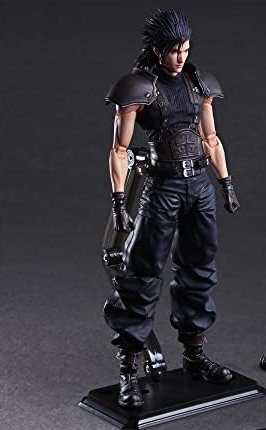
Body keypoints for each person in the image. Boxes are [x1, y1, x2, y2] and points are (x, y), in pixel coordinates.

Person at [103, 9, 240, 408]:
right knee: (142, 272)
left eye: (185, 49)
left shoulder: (198, 83)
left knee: (200, 268)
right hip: (162, 188)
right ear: (157, 50)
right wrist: (118, 201)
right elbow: (120, 150)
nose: (180, 57)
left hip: (198, 185)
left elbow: (211, 138)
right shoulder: (138, 87)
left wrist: (226, 183)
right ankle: (129, 369)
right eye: (173, 50)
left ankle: (194, 357)